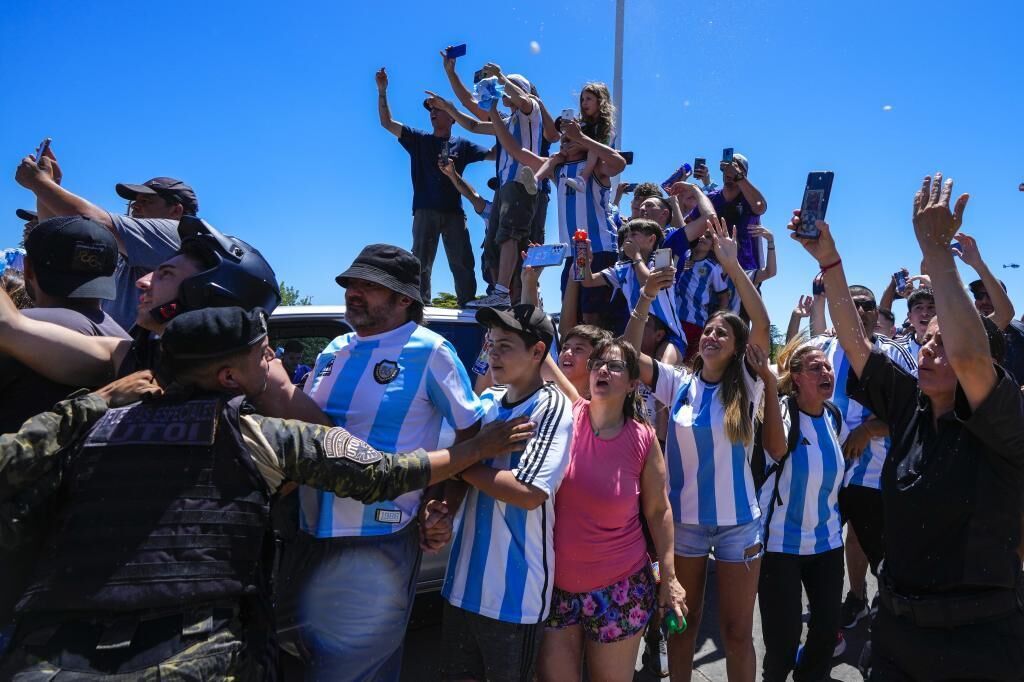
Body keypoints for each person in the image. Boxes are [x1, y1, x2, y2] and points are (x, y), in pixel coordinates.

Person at [0, 306, 534, 680]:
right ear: (230, 376)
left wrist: (95, 401)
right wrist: (476, 447)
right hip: (195, 656)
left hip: (50, 657)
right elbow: (386, 473)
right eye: (263, 354)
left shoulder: (92, 428)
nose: (273, 358)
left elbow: (12, 460)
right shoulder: (259, 437)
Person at [789, 172, 1024, 680]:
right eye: (927, 338)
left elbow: (969, 355)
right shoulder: (910, 403)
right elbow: (858, 345)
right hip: (896, 634)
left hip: (977, 645)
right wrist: (829, 259)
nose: (929, 348)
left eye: (944, 341)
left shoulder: (1003, 425)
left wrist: (937, 252)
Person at [292, 244, 485, 680]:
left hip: (376, 537)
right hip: (309, 530)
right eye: (352, 284)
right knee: (317, 660)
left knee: (349, 669)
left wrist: (444, 504)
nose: (354, 293)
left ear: (404, 300)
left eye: (370, 286)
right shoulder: (335, 348)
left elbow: (470, 435)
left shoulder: (430, 351)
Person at [625, 216, 784, 682]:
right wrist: (646, 296)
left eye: (722, 333)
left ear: (736, 348)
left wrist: (734, 268)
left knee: (737, 632)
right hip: (686, 526)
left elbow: (763, 323)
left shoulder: (749, 385)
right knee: (682, 623)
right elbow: (628, 358)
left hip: (740, 525)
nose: (711, 335)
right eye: (709, 330)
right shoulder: (678, 384)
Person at [537, 337, 686, 682]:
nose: (603, 369)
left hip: (620, 591)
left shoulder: (644, 439)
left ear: (634, 383)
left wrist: (669, 578)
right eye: (599, 363)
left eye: (615, 365)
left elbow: (659, 511)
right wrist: (527, 284)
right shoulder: (567, 415)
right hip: (556, 589)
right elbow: (538, 348)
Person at [441, 304, 573, 681]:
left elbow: (529, 492)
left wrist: (461, 462)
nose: (493, 353)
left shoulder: (552, 407)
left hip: (513, 596)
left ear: (538, 352)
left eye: (505, 345)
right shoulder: (488, 402)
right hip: (461, 585)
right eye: (491, 344)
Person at [805, 281, 915, 629]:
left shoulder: (895, 354)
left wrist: (869, 430)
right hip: (823, 474)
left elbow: (916, 413)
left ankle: (895, 619)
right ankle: (849, 605)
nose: (862, 311)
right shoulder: (819, 349)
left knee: (880, 550)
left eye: (868, 305)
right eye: (852, 304)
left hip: (875, 474)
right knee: (824, 549)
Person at [15, 150, 197, 329]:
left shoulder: (176, 233)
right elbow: (57, 230)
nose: (135, 206)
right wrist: (50, 184)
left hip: (139, 353)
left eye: (147, 201)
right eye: (135, 202)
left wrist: (39, 182)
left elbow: (91, 219)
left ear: (175, 211)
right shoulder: (131, 248)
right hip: (118, 349)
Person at [757, 343, 848, 682]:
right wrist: (768, 382)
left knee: (826, 632)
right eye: (815, 368)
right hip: (781, 545)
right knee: (782, 641)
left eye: (827, 367)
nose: (826, 372)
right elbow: (776, 449)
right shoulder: (784, 411)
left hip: (827, 543)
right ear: (795, 378)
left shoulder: (834, 416)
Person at [375, 67, 492, 306]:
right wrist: (382, 91)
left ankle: (467, 305)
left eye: (438, 110)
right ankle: (420, 307)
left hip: (455, 213)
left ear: (452, 117)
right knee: (420, 263)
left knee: (462, 262)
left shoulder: (464, 144)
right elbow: (386, 123)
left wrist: (518, 135)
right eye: (431, 111)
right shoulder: (419, 139)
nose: (432, 114)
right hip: (424, 210)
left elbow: (493, 154)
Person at [435, 60, 544, 307]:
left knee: (509, 236)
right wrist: (449, 106)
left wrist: (503, 78)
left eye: (510, 89)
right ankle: (498, 292)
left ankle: (503, 293)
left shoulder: (530, 111)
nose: (504, 93)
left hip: (520, 181)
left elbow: (524, 99)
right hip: (505, 186)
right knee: (497, 240)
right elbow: (472, 124)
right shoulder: (505, 120)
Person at [703, 153, 767, 273]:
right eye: (728, 165)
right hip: (712, 271)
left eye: (737, 166)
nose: (731, 169)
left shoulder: (749, 199)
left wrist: (739, 177)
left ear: (744, 174)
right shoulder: (711, 198)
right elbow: (689, 224)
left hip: (745, 270)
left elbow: (760, 207)